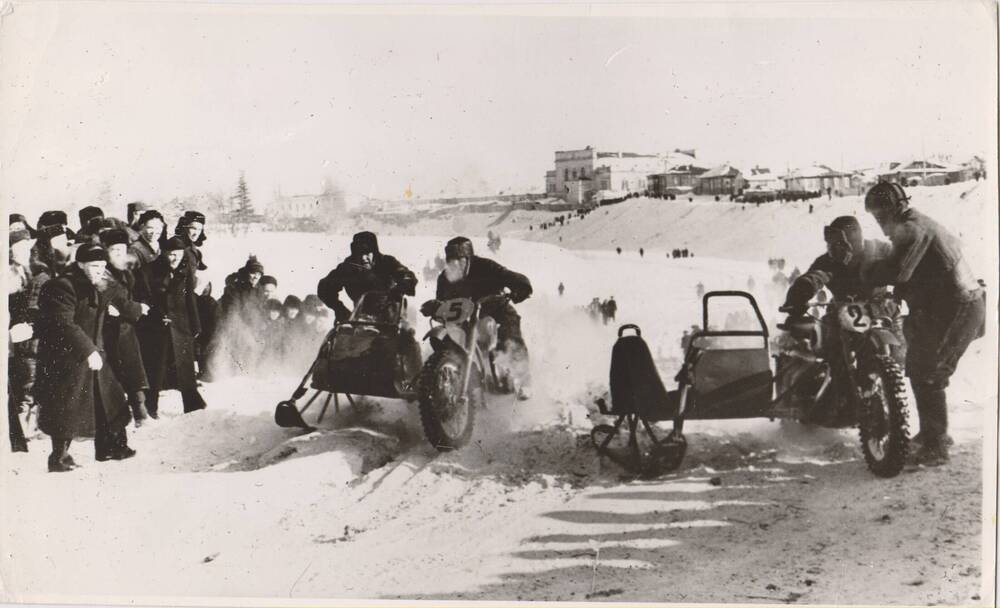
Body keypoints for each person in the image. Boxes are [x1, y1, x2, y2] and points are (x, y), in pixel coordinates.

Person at [863, 182, 985, 466]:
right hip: (949, 307)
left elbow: (899, 271)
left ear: (894, 209)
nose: (880, 223)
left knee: (928, 373)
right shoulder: (915, 223)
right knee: (920, 368)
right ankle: (934, 433)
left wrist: (866, 271)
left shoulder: (912, 229)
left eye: (880, 216)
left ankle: (936, 446)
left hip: (958, 307)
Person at [35, 244, 136, 471]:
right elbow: (63, 323)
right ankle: (59, 458)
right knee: (67, 407)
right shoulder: (63, 286)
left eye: (102, 266)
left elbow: (116, 298)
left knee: (110, 398)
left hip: (93, 351)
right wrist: (88, 350)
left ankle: (111, 448)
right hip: (68, 356)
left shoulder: (97, 284)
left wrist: (127, 309)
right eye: (94, 266)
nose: (99, 270)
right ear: (80, 264)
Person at [421, 236, 533, 399]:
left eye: (460, 260)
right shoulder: (445, 278)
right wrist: (435, 306)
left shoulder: (486, 266)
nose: (455, 264)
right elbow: (442, 301)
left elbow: (508, 275)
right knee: (449, 341)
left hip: (495, 310)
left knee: (510, 332)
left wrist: (521, 285)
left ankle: (523, 380)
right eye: (451, 260)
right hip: (465, 318)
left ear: (468, 259)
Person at [134, 237, 207, 417]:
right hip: (157, 326)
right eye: (171, 254)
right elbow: (143, 299)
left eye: (178, 254)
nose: (174, 258)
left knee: (185, 368)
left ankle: (193, 407)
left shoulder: (186, 269)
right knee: (155, 370)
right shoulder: (148, 271)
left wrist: (195, 326)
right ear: (164, 253)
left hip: (181, 325)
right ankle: (150, 408)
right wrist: (157, 316)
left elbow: (190, 298)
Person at [100, 229, 152, 426]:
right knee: (114, 374)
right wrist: (138, 308)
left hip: (124, 329)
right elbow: (118, 300)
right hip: (107, 332)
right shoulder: (103, 274)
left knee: (132, 369)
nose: (119, 255)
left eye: (122, 250)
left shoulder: (125, 271)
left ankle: (140, 412)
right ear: (106, 251)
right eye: (114, 250)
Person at [317, 231, 417, 323]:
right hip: (360, 319)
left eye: (367, 253)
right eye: (359, 254)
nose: (363, 258)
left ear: (374, 251)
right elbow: (325, 287)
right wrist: (339, 309)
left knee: (406, 337)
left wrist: (402, 286)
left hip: (392, 318)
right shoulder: (348, 267)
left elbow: (406, 274)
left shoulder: (387, 262)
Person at [8, 227, 35, 452]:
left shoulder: (24, 271)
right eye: (21, 247)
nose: (27, 251)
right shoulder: (8, 274)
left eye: (28, 247)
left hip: (21, 336)